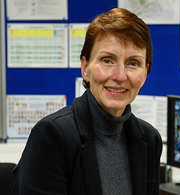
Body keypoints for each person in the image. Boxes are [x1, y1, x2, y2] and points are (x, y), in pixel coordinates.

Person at [13, 8, 162, 195]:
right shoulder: (52, 136)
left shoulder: (150, 139)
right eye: (107, 60)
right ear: (85, 68)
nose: (120, 75)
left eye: (133, 63)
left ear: (145, 72)